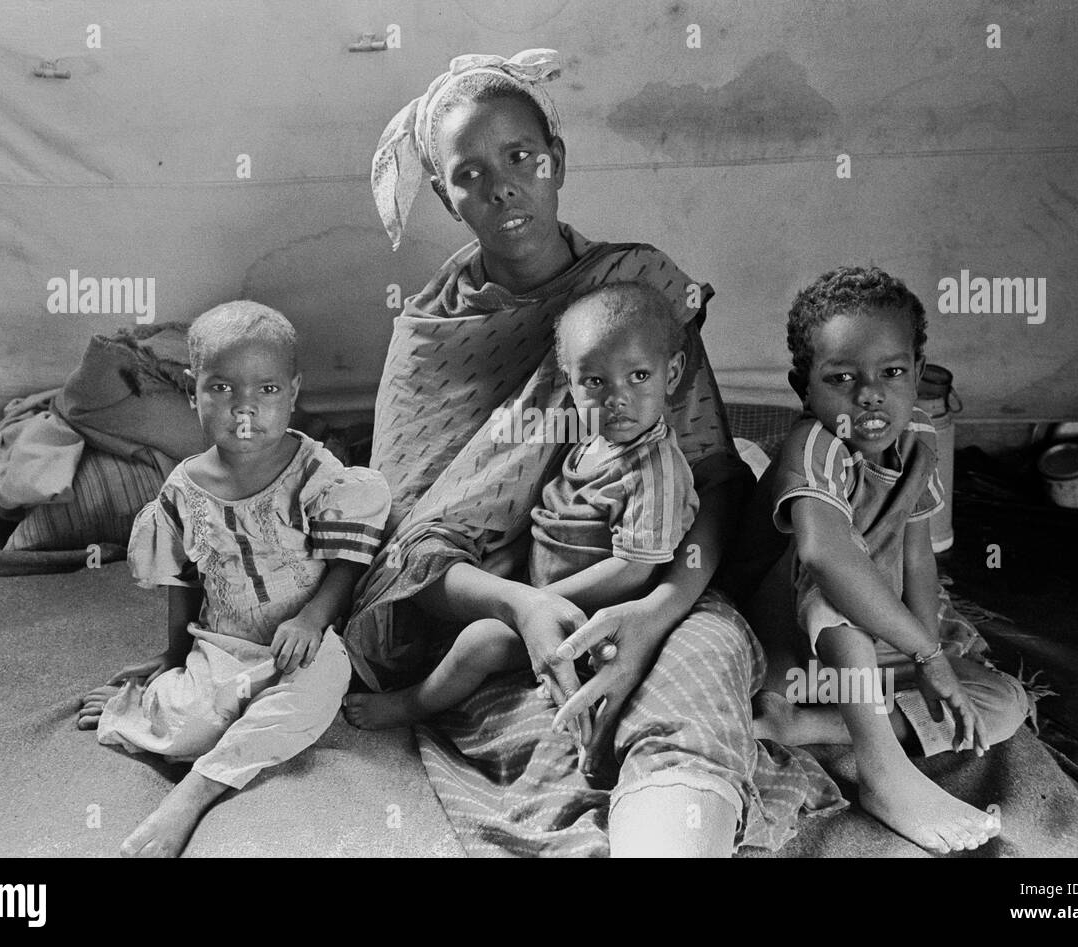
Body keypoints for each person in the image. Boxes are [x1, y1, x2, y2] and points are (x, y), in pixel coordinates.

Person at [348, 49, 844, 857]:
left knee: (704, 651)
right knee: (562, 702)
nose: (502, 185)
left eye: (520, 157)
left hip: (645, 576)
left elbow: (715, 476)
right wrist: (523, 607)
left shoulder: (634, 290)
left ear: (558, 160)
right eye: (469, 174)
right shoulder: (430, 336)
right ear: (445, 195)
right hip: (488, 614)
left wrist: (654, 612)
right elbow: (407, 557)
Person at [77, 300, 390, 857]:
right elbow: (183, 580)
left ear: (293, 392)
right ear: (192, 390)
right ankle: (148, 706)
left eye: (266, 390)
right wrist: (172, 658)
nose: (244, 410)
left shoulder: (317, 474)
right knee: (183, 728)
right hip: (223, 646)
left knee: (320, 685)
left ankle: (196, 792)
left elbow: (347, 561)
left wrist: (313, 618)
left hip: (305, 644)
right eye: (222, 389)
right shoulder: (182, 490)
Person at [739, 265, 1028, 854]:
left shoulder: (917, 436)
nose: (869, 394)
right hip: (789, 643)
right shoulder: (814, 446)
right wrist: (921, 651)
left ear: (917, 374)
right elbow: (825, 558)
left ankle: (809, 728)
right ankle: (883, 772)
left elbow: (919, 561)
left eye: (892, 373)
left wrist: (934, 656)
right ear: (804, 388)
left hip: (867, 664)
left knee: (1003, 705)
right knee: (836, 582)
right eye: (841, 377)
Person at [342, 282, 697, 732]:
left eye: (639, 376)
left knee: (479, 642)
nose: (617, 398)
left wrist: (540, 604)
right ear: (569, 383)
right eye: (595, 381)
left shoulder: (655, 470)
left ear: (673, 372)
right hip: (543, 585)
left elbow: (633, 570)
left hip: (590, 618)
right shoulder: (593, 439)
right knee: (445, 577)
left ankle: (412, 706)